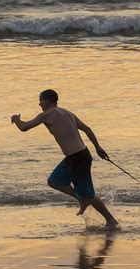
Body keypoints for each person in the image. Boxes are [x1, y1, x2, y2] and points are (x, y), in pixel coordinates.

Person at [11, 89, 119, 229]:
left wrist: (15, 119)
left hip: (78, 158)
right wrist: (98, 148)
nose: (39, 104)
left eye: (41, 101)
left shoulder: (47, 114)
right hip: (77, 156)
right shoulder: (67, 112)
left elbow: (24, 127)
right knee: (54, 181)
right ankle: (82, 200)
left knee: (88, 195)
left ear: (47, 101)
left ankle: (111, 221)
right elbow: (87, 129)